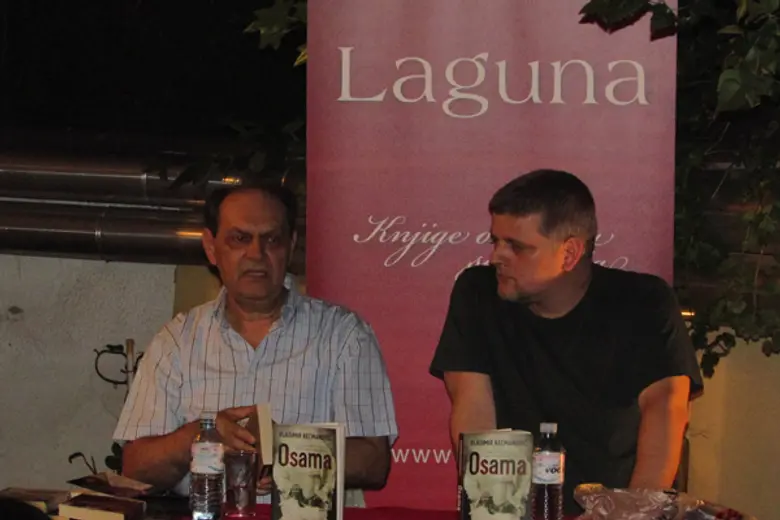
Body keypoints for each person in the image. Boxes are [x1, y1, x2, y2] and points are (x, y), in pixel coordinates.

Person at [429, 169, 703, 515]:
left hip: (616, 508)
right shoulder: (477, 292)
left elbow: (666, 411)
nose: (497, 256)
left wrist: (631, 513)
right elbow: (473, 410)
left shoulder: (644, 302)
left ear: (570, 253)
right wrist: (493, 510)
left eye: (516, 246)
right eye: (495, 241)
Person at [114, 180, 398, 507]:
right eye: (240, 238)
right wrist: (200, 436)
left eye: (271, 239)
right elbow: (135, 467)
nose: (256, 254)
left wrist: (285, 449)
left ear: (290, 246)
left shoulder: (343, 335)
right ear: (211, 247)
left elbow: (374, 462)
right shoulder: (177, 340)